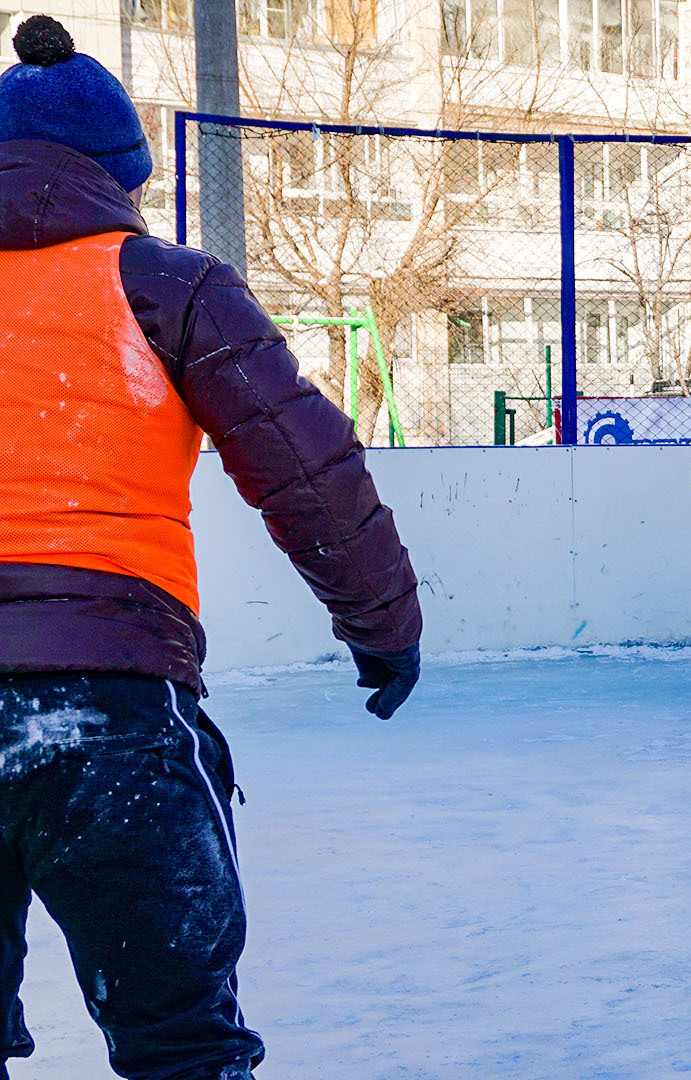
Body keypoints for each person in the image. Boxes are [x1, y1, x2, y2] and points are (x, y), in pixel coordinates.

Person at [0, 18, 422, 1079]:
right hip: (111, 712)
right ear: (120, 177)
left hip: (106, 689)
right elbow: (309, 469)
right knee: (182, 1043)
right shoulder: (166, 283)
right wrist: (384, 629)